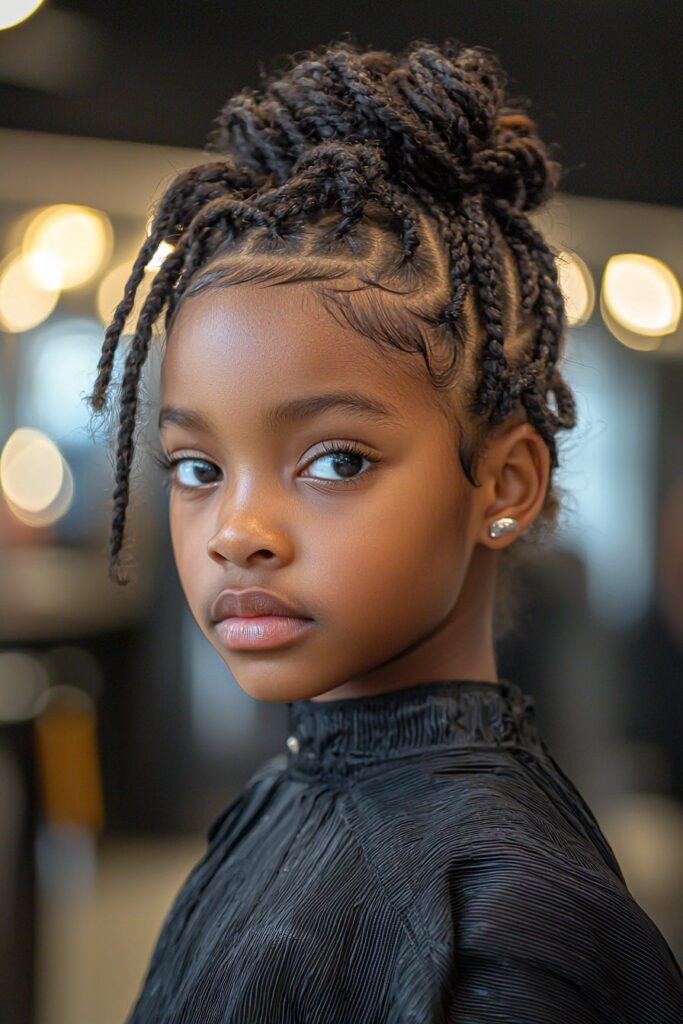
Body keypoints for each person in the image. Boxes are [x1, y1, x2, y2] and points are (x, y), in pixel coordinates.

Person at [87, 36, 683, 1024]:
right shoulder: (280, 795)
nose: (236, 531)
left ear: (505, 482)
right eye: (196, 468)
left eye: (335, 461)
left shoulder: (507, 931)